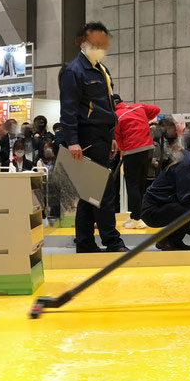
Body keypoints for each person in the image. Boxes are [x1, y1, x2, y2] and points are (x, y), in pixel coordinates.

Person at [58, 21, 128, 253]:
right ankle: (112, 242)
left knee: (90, 194)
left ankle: (85, 243)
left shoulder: (101, 70)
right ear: (84, 43)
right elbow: (68, 110)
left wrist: (112, 136)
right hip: (86, 137)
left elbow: (106, 105)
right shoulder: (73, 70)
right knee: (103, 192)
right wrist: (73, 141)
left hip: (102, 135)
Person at [113, 93, 161, 229]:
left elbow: (118, 137)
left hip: (132, 150)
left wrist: (123, 150)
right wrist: (144, 119)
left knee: (132, 185)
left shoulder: (116, 115)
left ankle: (137, 218)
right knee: (141, 183)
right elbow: (156, 109)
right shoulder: (138, 107)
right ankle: (138, 215)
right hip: (148, 148)